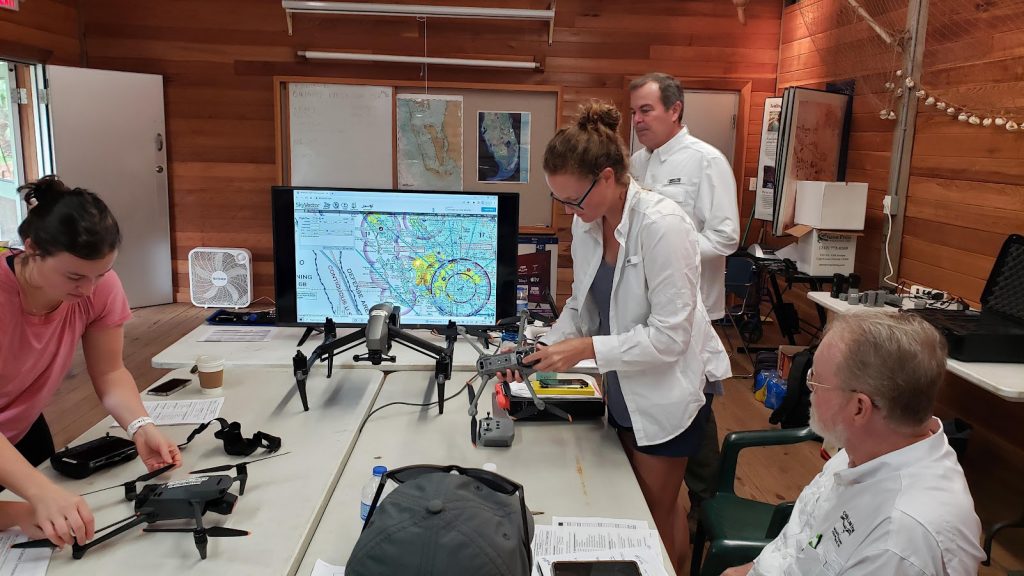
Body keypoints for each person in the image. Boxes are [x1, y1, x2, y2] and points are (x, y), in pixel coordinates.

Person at [503, 101, 731, 572]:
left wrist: (585, 349)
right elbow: (581, 304)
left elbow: (670, 338)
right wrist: (541, 349)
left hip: (667, 389)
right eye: (560, 200)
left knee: (656, 512)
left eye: (574, 199)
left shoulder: (663, 226)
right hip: (625, 377)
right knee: (632, 502)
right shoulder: (589, 220)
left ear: (607, 178)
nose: (569, 210)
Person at [721, 311, 984, 576]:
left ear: (859, 407)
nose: (809, 388)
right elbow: (799, 548)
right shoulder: (867, 448)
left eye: (815, 380)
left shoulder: (898, 544)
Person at [1, 176, 182, 547]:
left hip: (21, 429)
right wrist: (32, 501)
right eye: (74, 276)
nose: (88, 290)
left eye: (100, 274)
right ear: (31, 249)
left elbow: (110, 370)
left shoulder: (99, 286)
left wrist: (140, 425)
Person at [629, 72, 741, 511]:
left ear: (675, 110)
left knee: (691, 403)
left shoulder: (705, 161)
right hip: (645, 305)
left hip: (692, 308)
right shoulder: (637, 163)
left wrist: (671, 251)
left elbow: (726, 236)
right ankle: (656, 483)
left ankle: (708, 501)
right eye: (634, 111)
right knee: (657, 397)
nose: (638, 119)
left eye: (647, 110)